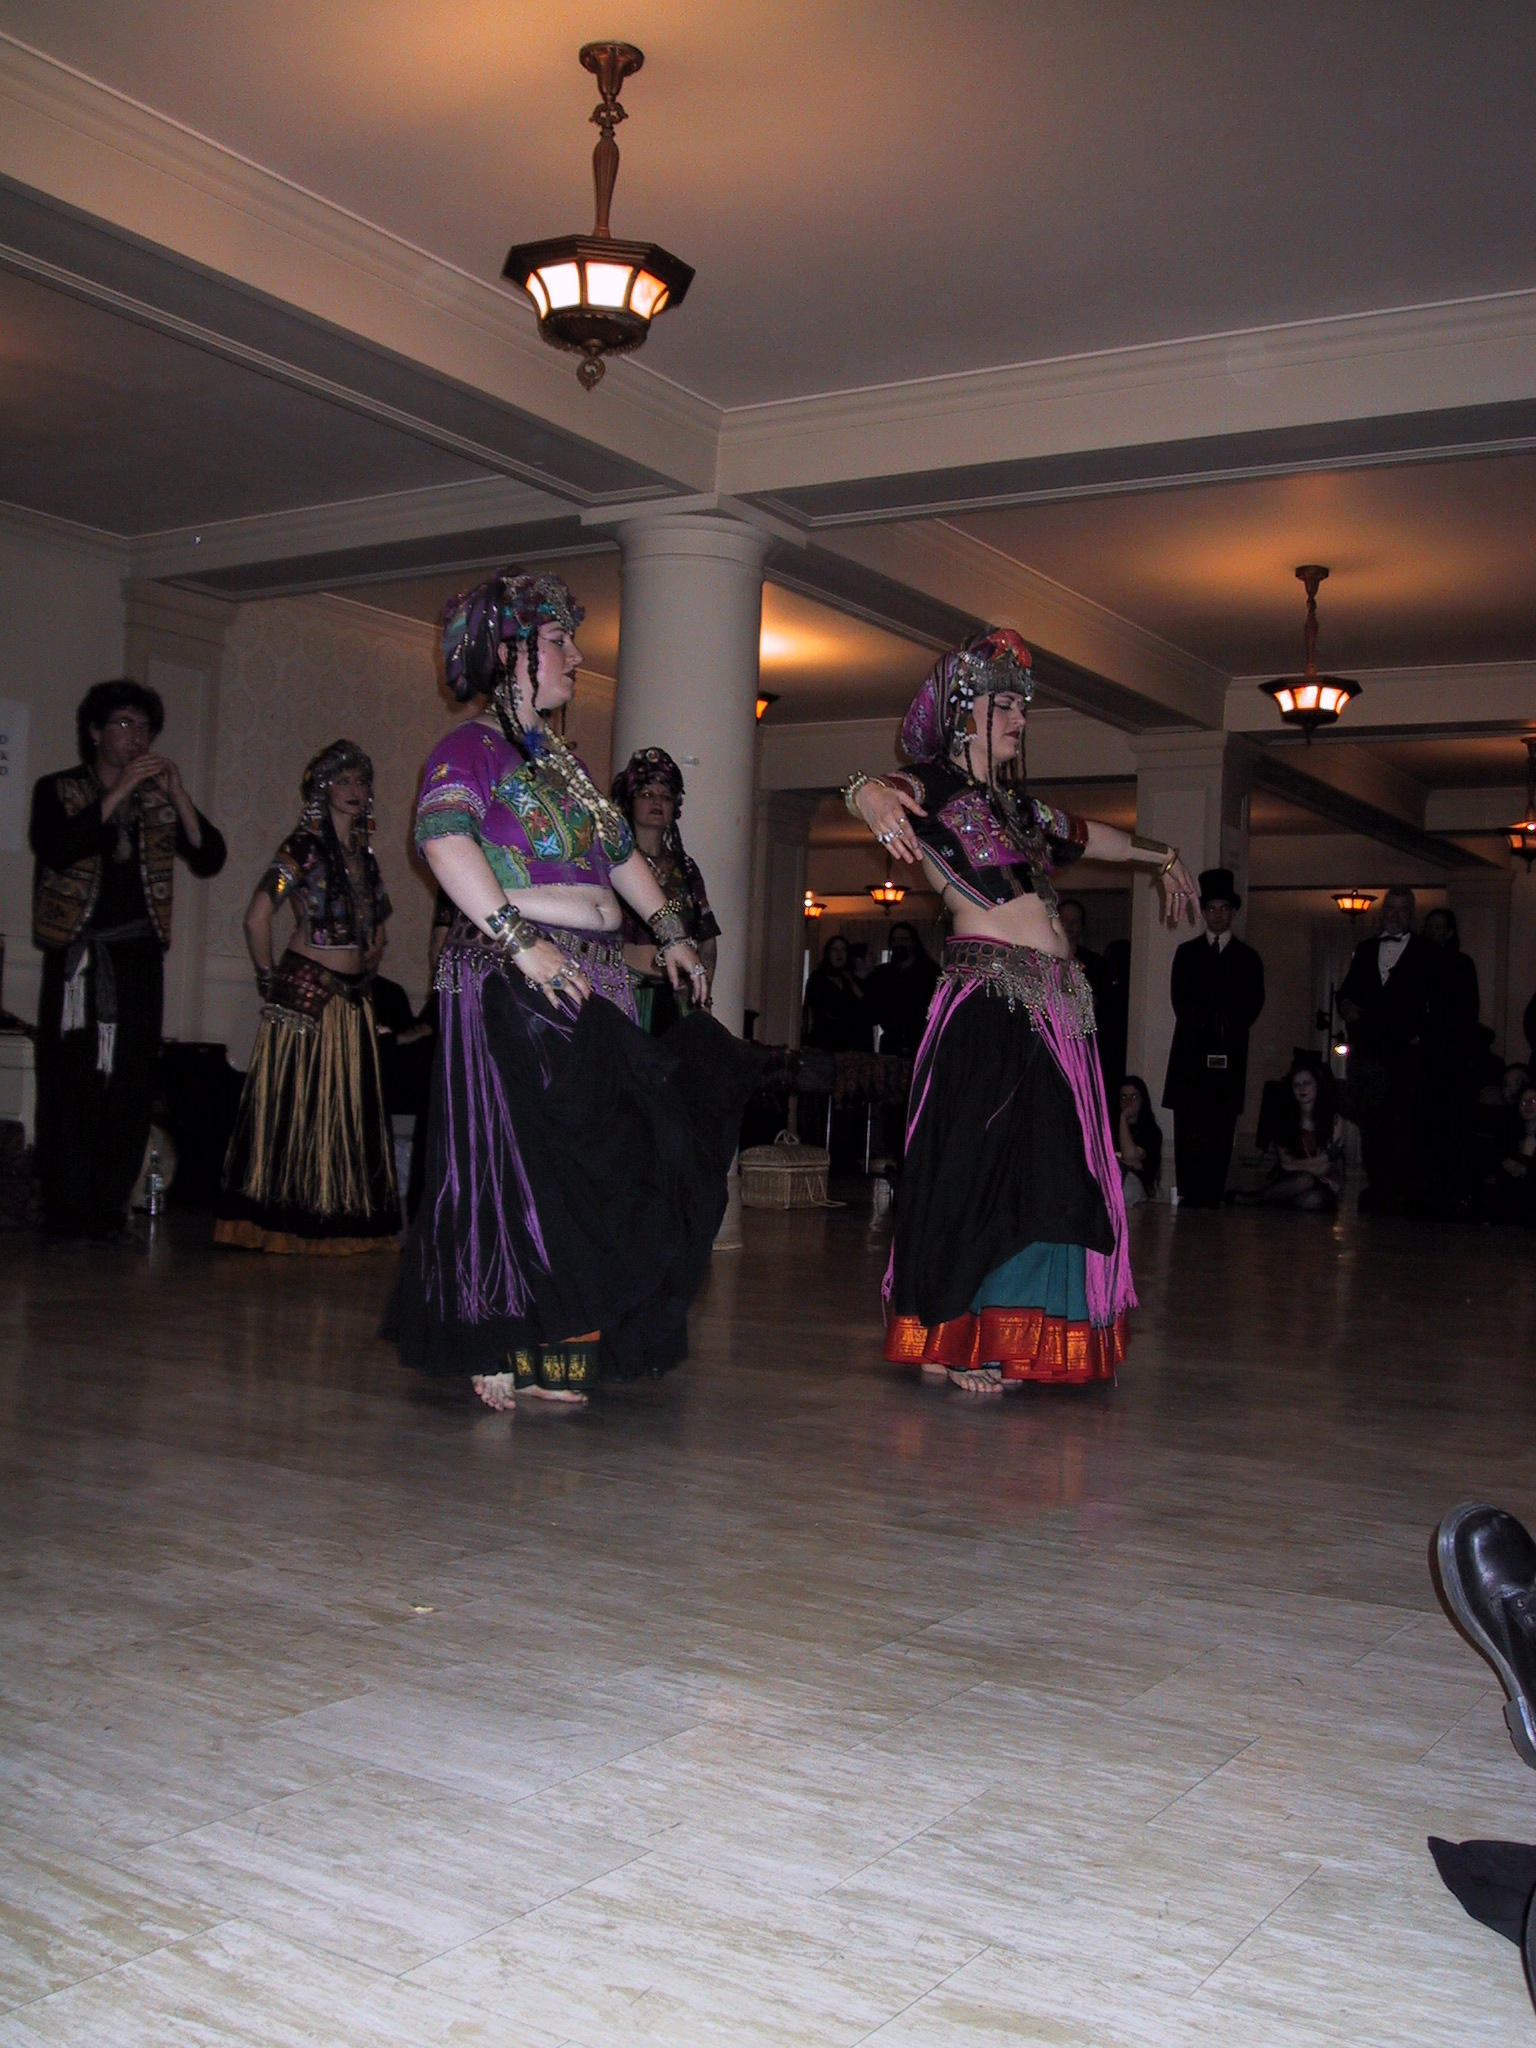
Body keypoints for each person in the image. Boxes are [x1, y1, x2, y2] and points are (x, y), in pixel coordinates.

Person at [384, 568, 755, 1413]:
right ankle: (495, 1331)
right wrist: (520, 942)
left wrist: (671, 931)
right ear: (508, 654)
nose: (578, 657)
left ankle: (561, 1341)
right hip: (517, 975)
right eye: (559, 642)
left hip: (593, 975)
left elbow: (619, 854)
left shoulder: (566, 764)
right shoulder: (468, 749)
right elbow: (443, 843)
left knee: (598, 1163)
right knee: (518, 1160)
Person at [844, 627, 1198, 1392]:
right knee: (972, 1166)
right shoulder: (932, 787)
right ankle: (947, 1337)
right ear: (961, 713)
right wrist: (867, 796)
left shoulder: (1022, 812)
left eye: (1021, 707)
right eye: (1002, 705)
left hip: (1054, 1013)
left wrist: (1164, 856)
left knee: (1052, 1172)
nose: (1019, 718)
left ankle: (1010, 1332)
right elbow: (878, 788)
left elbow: (1095, 837)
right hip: (987, 1000)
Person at [29, 678, 226, 1245]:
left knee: (131, 1087)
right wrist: (116, 794)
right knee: (70, 1085)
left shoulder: (157, 801)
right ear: (94, 732)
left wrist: (178, 795)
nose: (136, 737)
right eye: (123, 724)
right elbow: (59, 846)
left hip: (138, 958)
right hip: (78, 960)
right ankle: (66, 1213)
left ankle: (107, 1211)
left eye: (144, 727)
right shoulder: (59, 789)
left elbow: (209, 856)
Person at [215, 742, 400, 1254]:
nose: (354, 790)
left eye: (360, 781)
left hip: (353, 999)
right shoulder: (300, 849)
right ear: (321, 790)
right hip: (307, 994)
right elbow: (257, 918)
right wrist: (268, 978)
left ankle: (342, 1218)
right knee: (300, 1108)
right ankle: (282, 1219)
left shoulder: (364, 857)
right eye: (342, 781)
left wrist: (369, 962)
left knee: (348, 1113)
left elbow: (377, 932)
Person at [1161, 870, 1266, 1208]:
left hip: (1229, 1054)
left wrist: (1225, 1027)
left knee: (1221, 1126)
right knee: (1189, 1124)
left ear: (1232, 912)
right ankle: (1189, 1192)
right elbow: (1180, 1000)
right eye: (1211, 909)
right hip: (1191, 1055)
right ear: (1203, 912)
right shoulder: (1187, 953)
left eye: (1223, 909)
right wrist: (1206, 1025)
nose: (1217, 915)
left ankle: (1213, 1193)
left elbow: (1252, 1003)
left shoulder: (1248, 958)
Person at [611, 747, 720, 1034]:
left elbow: (707, 941)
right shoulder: (615, 863)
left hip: (678, 999)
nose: (657, 802)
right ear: (630, 801)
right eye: (647, 794)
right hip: (628, 996)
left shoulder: (685, 868)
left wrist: (703, 998)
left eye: (666, 796)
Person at [1338, 886, 1432, 1214]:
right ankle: (1376, 1188)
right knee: (1370, 1122)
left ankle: (1399, 1193)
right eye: (1391, 908)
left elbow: (1434, 999)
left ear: (1411, 914)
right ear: (1383, 912)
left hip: (1403, 1052)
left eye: (1402, 909)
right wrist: (1346, 1005)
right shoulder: (1366, 949)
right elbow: (1347, 991)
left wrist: (1419, 1035)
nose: (1395, 914)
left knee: (1401, 1124)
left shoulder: (1425, 951)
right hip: (1368, 1050)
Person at [1418, 906, 1481, 1213]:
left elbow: (1467, 1012)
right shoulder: (1416, 963)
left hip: (1451, 1057)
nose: (1433, 932)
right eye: (1429, 926)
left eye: (1439, 927)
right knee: (1425, 1124)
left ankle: (1451, 1192)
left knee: (1451, 1123)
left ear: (1450, 932)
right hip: (1425, 1057)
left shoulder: (1461, 964)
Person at [1232, 1058, 1344, 1211]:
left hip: (1325, 1179)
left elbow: (1324, 1168)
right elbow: (1286, 1162)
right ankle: (1256, 1199)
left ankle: (1265, 1198)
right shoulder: (1285, 1121)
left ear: (1317, 1085)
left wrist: (1298, 1164)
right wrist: (1321, 1159)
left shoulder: (1333, 1119)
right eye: (1296, 1085)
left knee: (1313, 1199)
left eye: (1307, 1083)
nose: (1301, 1088)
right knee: (1304, 1180)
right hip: (1294, 1176)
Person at [866, 921, 939, 1057]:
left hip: (920, 1041)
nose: (898, 944)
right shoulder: (883, 973)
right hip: (891, 1042)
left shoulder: (929, 972)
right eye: (895, 940)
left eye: (903, 939)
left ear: (913, 942)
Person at [802, 934, 870, 1052]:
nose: (839, 954)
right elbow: (814, 1010)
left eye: (843, 950)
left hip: (849, 1044)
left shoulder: (849, 979)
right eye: (835, 950)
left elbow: (863, 1007)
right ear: (828, 953)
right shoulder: (818, 978)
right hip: (823, 1042)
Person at [1114, 1074, 1162, 1207]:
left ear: (1142, 1100)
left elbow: (1130, 1154)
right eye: (1124, 1097)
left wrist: (1123, 1118)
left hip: (1136, 1181)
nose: (1128, 1102)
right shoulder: (1110, 1127)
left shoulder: (1151, 1131)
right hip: (1113, 1175)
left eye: (1134, 1097)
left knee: (1127, 1191)